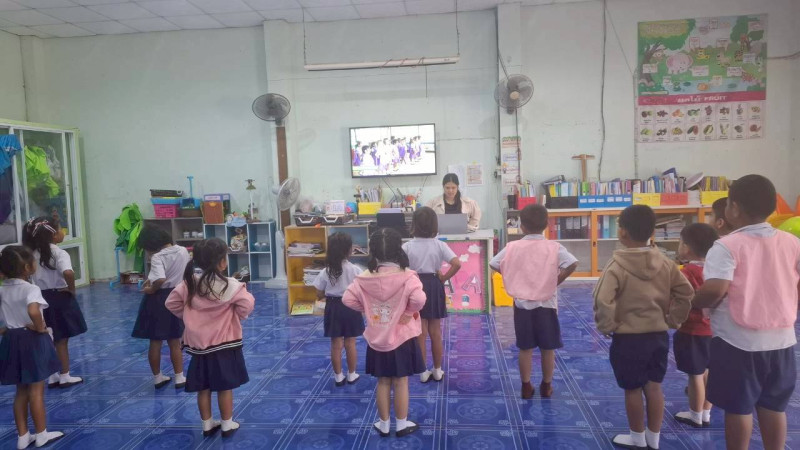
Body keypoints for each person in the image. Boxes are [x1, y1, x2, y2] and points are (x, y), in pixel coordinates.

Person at [692, 175, 800, 450]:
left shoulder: (727, 245)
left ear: (734, 208)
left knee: (738, 408)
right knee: (774, 406)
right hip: (783, 340)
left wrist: (689, 302)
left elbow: (715, 290)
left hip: (738, 342)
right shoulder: (791, 242)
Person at [593, 205, 693, 450]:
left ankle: (637, 438)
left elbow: (603, 300)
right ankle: (654, 438)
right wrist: (673, 320)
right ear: (652, 232)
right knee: (654, 386)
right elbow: (686, 293)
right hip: (658, 336)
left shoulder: (616, 265)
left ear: (622, 232)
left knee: (632, 389)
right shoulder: (666, 263)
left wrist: (607, 325)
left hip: (628, 339)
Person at [165, 238, 254, 438]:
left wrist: (189, 317)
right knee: (224, 386)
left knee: (203, 387)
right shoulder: (231, 285)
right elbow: (247, 305)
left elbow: (171, 303)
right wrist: (237, 315)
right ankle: (227, 424)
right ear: (222, 262)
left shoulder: (188, 284)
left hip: (198, 346)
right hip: (225, 345)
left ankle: (207, 425)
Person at [343, 228, 426, 438]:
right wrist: (408, 313)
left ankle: (384, 424)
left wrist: (366, 309)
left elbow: (347, 299)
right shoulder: (408, 277)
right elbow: (419, 299)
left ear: (373, 251)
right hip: (402, 338)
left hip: (377, 338)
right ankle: (401, 424)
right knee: (401, 382)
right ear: (399, 249)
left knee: (382, 382)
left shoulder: (364, 278)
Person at [490, 205, 577, 398]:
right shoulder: (554, 247)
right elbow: (572, 263)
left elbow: (494, 263)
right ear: (546, 225)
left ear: (521, 226)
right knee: (548, 349)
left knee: (525, 348)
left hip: (522, 306)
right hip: (547, 305)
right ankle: (546, 386)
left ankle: (526, 386)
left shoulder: (513, 247)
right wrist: (556, 280)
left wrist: (514, 276)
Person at [0, 246, 64, 449]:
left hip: (11, 339)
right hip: (31, 340)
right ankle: (42, 434)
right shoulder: (30, 289)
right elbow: (34, 311)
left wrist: (5, 329)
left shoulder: (2, 289)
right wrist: (39, 327)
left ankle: (23, 436)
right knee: (36, 390)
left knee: (21, 391)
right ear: (27, 267)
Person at [23, 217, 87, 389]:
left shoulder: (32, 253)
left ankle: (53, 376)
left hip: (40, 299)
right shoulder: (59, 253)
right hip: (59, 298)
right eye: (60, 229)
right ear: (53, 235)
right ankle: (65, 375)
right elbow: (68, 272)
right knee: (61, 340)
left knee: (48, 336)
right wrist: (71, 289)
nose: (62, 232)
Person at [402, 207, 462, 383]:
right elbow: (457, 263)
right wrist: (443, 278)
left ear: (414, 225)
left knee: (420, 332)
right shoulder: (439, 244)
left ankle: (422, 371)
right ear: (434, 225)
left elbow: (401, 268)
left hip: (415, 287)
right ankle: (437, 370)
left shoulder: (407, 246)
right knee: (435, 332)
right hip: (435, 285)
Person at [131, 224, 190, 389]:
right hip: (176, 296)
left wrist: (151, 289)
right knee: (174, 340)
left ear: (151, 244)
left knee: (155, 341)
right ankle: (179, 377)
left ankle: (158, 377)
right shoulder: (183, 251)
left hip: (157, 299)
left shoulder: (157, 257)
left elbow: (160, 279)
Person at [672, 223, 719, 428]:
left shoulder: (687, 272)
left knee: (695, 375)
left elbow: (678, 300)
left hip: (692, 330)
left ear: (687, 247)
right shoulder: (716, 270)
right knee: (708, 372)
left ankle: (695, 414)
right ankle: (706, 412)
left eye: (680, 243)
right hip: (714, 330)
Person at [314, 232, 365, 387]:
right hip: (351, 307)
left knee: (336, 344)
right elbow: (362, 290)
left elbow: (319, 292)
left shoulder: (326, 271)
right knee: (350, 343)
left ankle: (338, 376)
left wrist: (326, 294)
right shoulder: (355, 270)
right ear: (349, 250)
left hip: (333, 308)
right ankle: (352, 374)